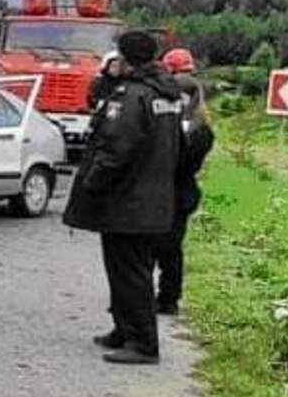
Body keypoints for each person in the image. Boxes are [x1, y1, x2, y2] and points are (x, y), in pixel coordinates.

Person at [63, 31, 184, 365]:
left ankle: (143, 343)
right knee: (130, 268)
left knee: (129, 271)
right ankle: (124, 329)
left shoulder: (131, 95)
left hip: (127, 200)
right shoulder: (167, 94)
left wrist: (92, 183)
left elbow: (116, 148)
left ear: (126, 58)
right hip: (153, 196)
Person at [156, 48, 215, 315]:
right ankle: (168, 296)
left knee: (160, 247)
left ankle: (165, 297)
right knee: (171, 247)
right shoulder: (202, 124)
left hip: (169, 190)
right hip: (182, 192)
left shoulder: (187, 124)